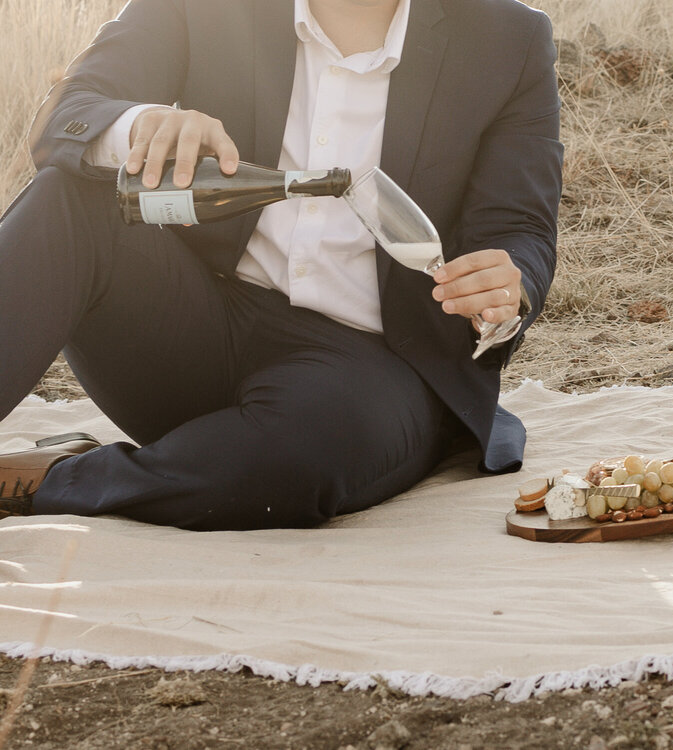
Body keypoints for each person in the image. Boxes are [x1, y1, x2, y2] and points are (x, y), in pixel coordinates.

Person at [0, 0, 563, 530]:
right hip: (194, 321)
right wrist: (138, 125)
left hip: (364, 372)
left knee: (308, 450)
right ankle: (184, 462)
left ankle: (50, 479)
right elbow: (68, 113)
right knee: (67, 199)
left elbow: (520, 227)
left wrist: (512, 283)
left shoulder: (508, 38)